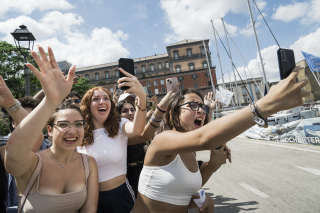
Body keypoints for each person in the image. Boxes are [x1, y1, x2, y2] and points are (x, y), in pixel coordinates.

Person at [133, 73, 307, 213]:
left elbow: (186, 186)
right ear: (175, 112)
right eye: (193, 105)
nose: (201, 110)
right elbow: (204, 138)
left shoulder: (190, 152)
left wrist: (213, 165)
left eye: (203, 107)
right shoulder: (163, 139)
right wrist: (267, 105)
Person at [5, 46, 99, 213]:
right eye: (63, 124)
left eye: (78, 124)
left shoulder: (89, 163)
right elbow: (13, 151)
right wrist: (50, 102)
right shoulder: (32, 163)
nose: (72, 130)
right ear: (49, 130)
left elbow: (90, 209)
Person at [78, 68, 147, 213]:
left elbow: (137, 129)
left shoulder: (120, 124)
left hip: (120, 196)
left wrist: (141, 96)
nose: (102, 102)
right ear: (87, 106)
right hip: (89, 199)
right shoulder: (79, 131)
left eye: (106, 98)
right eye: (96, 99)